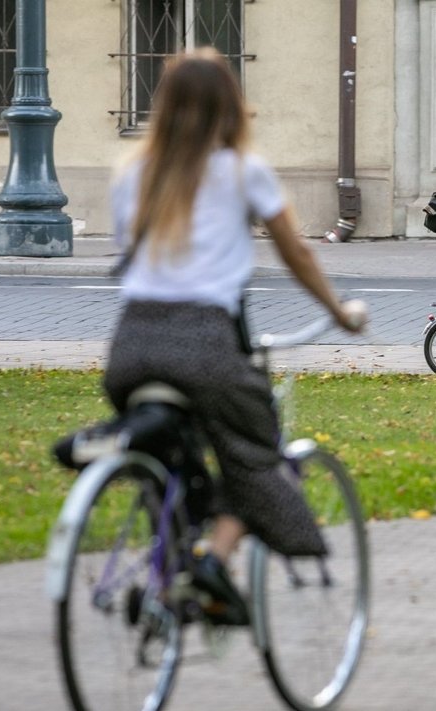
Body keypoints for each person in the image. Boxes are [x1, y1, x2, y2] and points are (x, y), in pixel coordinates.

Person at [105, 48, 367, 624]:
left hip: (130, 346)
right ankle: (211, 562)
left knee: (174, 457)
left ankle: (170, 565)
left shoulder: (133, 174)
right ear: (231, 106)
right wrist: (339, 310)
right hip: (203, 343)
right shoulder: (241, 169)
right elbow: (295, 250)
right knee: (256, 455)